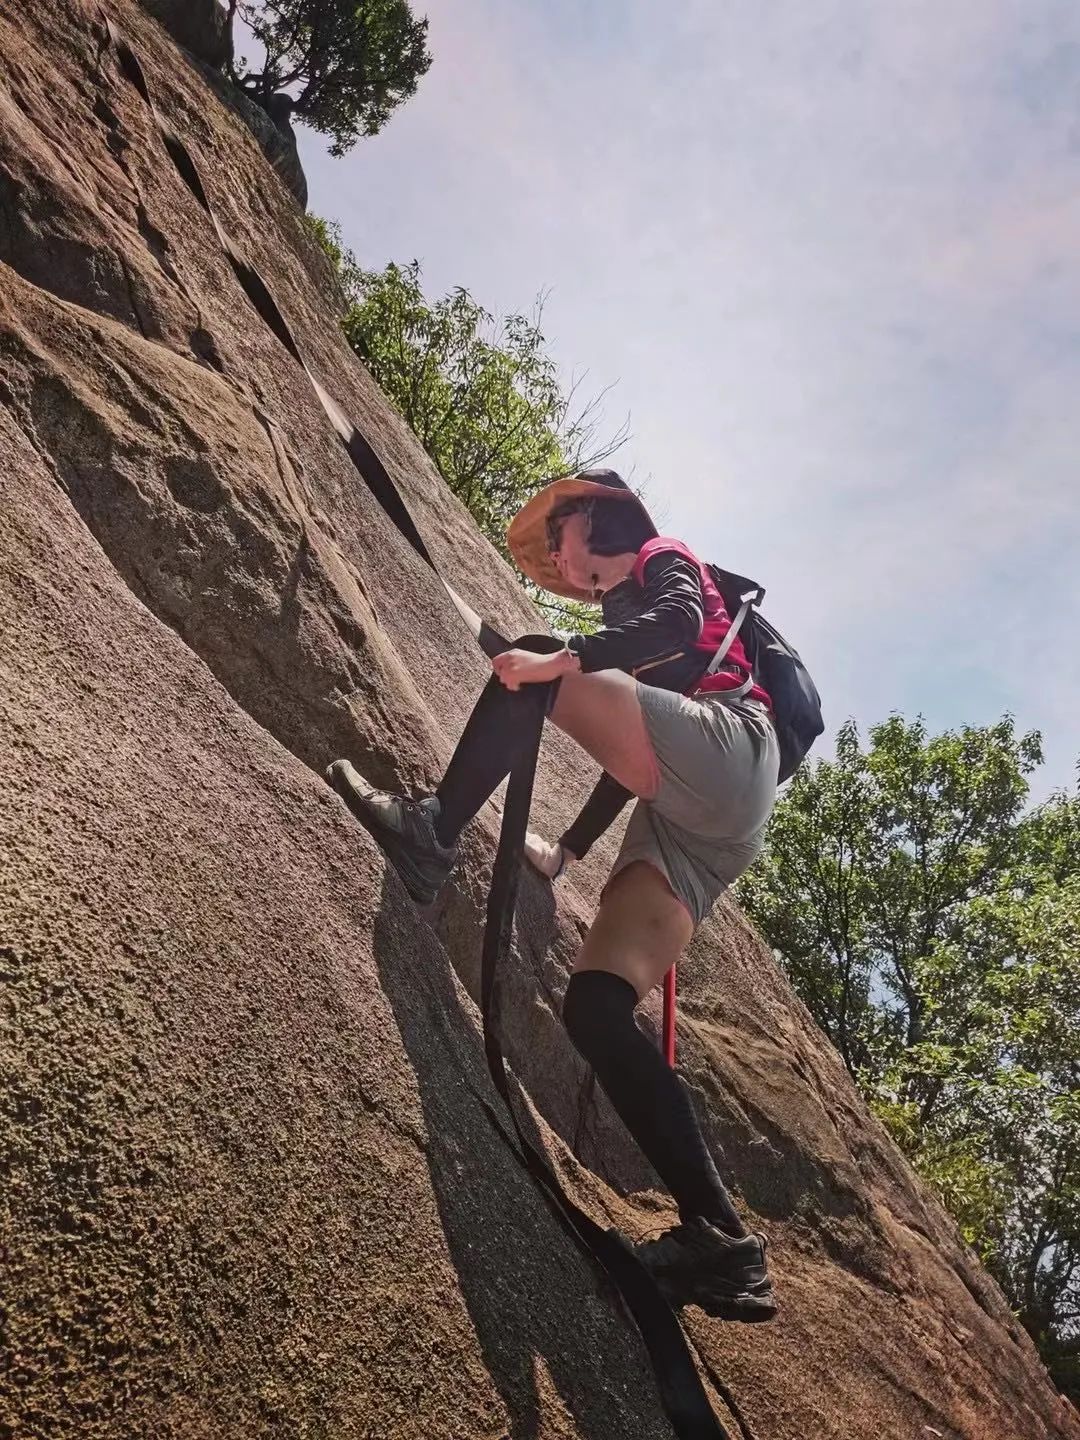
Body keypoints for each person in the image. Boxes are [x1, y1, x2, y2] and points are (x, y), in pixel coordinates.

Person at [326, 469, 780, 1322]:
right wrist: (567, 852)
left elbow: (680, 619)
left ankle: (429, 832)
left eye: (558, 535)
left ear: (590, 522)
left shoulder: (661, 557)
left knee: (533, 661)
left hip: (729, 753)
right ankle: (720, 1242)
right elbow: (640, 750)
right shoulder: (630, 632)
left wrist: (557, 660)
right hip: (705, 818)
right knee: (596, 1009)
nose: (556, 557)